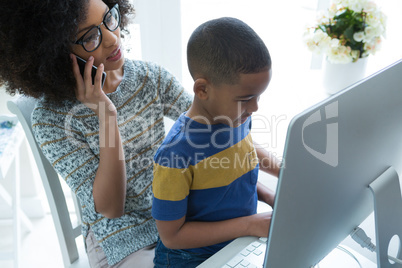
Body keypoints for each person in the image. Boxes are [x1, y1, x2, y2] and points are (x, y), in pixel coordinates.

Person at [0, 0, 192, 267]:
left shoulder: (150, 77)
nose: (113, 38)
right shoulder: (51, 120)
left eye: (109, 19)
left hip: (176, 216)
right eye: (91, 37)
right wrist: (106, 115)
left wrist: (269, 177)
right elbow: (112, 208)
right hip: (122, 240)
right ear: (56, 53)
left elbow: (213, 123)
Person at [151, 17, 281, 267]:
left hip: (238, 243)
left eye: (259, 97)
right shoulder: (174, 155)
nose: (254, 107)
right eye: (247, 98)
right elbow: (172, 236)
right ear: (202, 90)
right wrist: (250, 224)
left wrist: (273, 186)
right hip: (190, 258)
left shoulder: (236, 117)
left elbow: (239, 162)